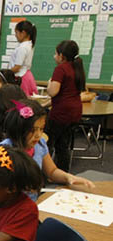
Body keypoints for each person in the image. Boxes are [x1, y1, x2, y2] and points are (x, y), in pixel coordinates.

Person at [0, 98, 95, 201]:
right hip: (11, 207)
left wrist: (68, 177)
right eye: (32, 130)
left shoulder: (40, 144)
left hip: (33, 204)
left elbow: (52, 171)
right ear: (18, 128)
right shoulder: (4, 151)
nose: (38, 135)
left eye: (41, 129)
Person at [45, 40, 85, 172]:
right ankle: (62, 175)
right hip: (74, 113)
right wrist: (45, 104)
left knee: (47, 144)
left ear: (62, 56)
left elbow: (53, 92)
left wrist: (49, 82)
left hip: (61, 113)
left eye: (56, 54)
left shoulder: (61, 69)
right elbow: (66, 94)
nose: (54, 56)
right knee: (63, 145)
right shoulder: (77, 67)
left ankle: (44, 174)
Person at [10, 20, 38, 96]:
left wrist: (5, 72)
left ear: (23, 33)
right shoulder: (29, 45)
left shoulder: (22, 47)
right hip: (27, 76)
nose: (15, 35)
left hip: (21, 77)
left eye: (16, 32)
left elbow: (17, 67)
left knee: (21, 103)